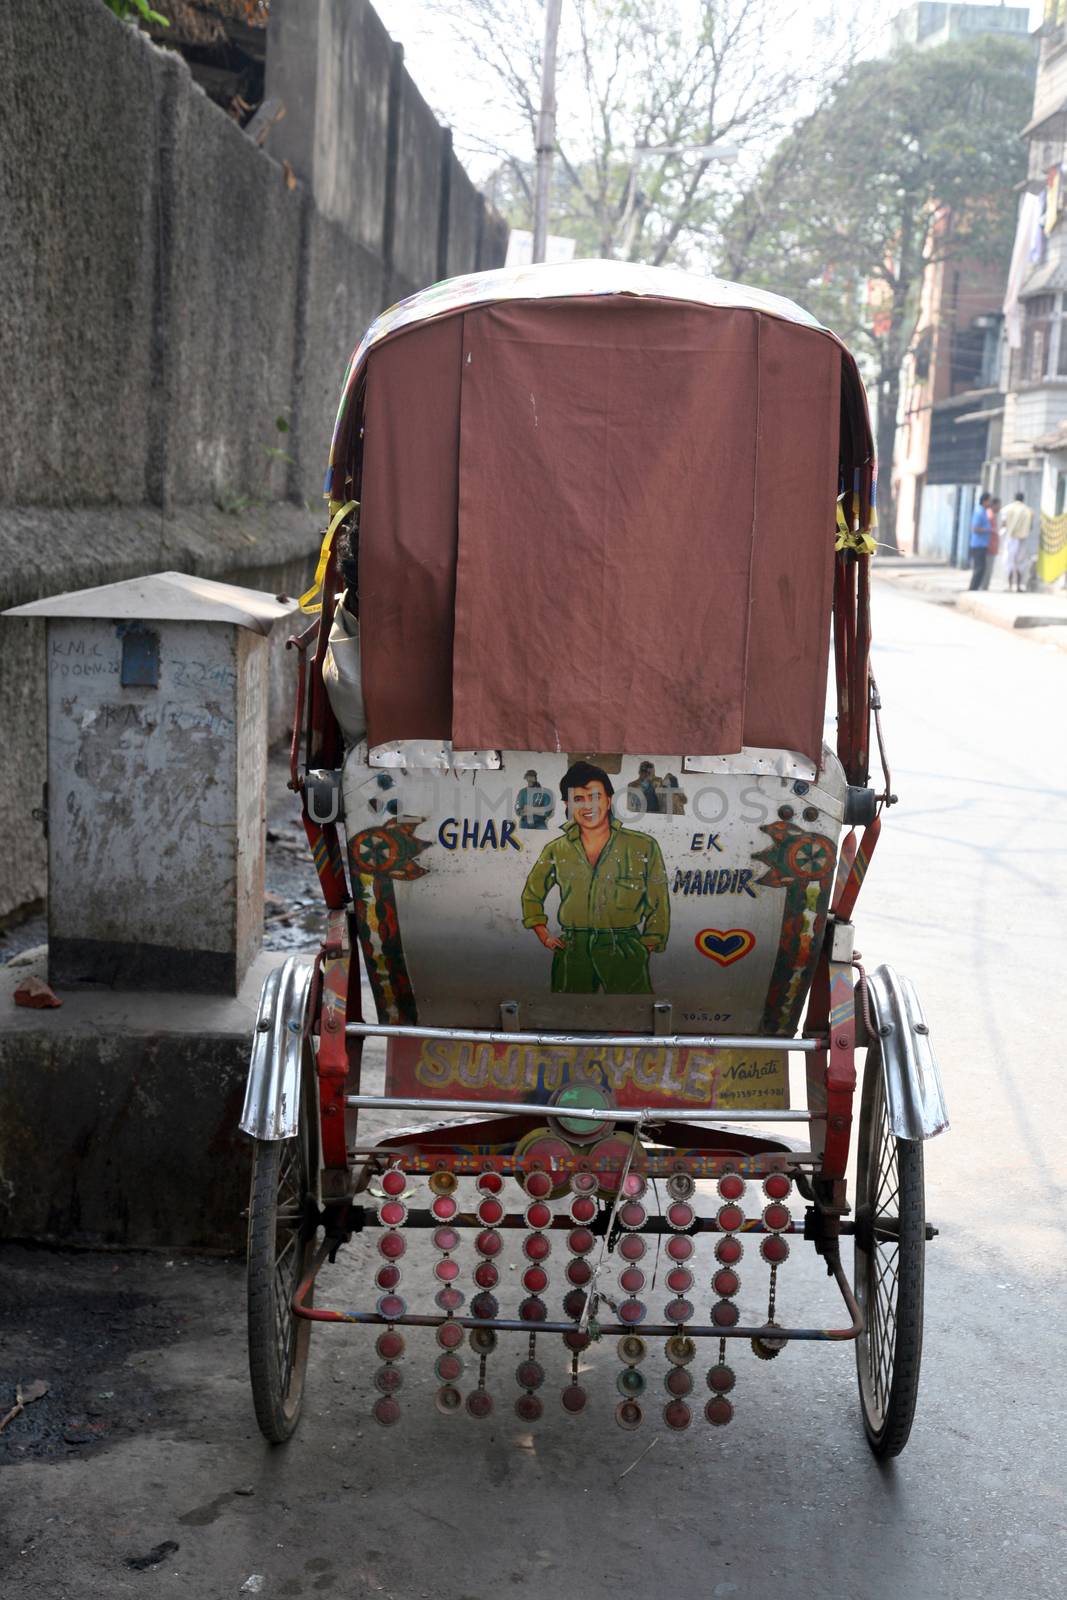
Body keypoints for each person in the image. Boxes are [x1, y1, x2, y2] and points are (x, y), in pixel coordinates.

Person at [520, 760, 670, 994]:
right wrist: (544, 934)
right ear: (567, 804)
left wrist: (647, 943)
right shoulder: (556, 849)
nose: (587, 805)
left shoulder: (643, 846)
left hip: (623, 945)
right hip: (573, 948)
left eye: (595, 796)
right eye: (578, 799)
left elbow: (658, 899)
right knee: (566, 1018)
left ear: (608, 800)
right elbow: (532, 892)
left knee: (631, 1018)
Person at [1002, 492, 1034, 592]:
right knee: (1021, 563)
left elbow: (1003, 524)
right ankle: (1019, 586)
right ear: (1023, 499)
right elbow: (1030, 527)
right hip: (1023, 539)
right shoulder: (1028, 511)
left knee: (1009, 561)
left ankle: (1010, 586)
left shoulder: (1008, 509)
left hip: (1011, 538)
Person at [968, 492, 993, 591]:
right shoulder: (979, 512)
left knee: (981, 567)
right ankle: (973, 588)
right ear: (984, 501)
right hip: (978, 544)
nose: (990, 503)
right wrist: (987, 530)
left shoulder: (983, 511)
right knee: (979, 568)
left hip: (982, 544)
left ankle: (975, 588)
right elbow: (975, 528)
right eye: (989, 500)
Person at [980, 497, 1001, 589]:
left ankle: (984, 586)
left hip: (990, 546)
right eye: (998, 505)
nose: (999, 508)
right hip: (988, 547)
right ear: (994, 505)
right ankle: (984, 587)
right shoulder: (990, 515)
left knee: (988, 568)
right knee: (987, 569)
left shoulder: (990, 514)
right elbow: (988, 531)